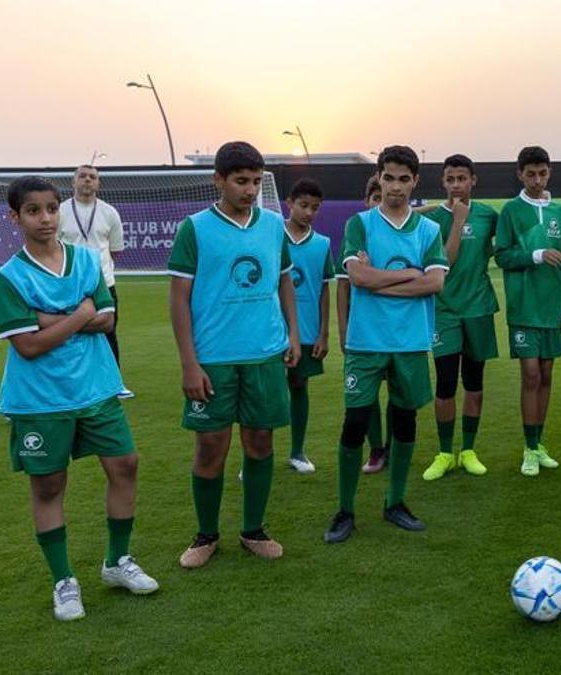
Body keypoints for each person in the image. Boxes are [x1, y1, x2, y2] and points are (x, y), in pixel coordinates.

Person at [0, 176, 158, 621]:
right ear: (15, 217)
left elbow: (107, 318)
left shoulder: (85, 261)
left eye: (51, 209)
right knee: (49, 485)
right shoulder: (8, 278)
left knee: (125, 465)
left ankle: (116, 562)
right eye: (33, 211)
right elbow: (26, 346)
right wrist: (79, 313)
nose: (45, 218)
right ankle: (64, 581)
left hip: (98, 387)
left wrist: (49, 320)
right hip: (39, 399)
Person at [168, 141, 301, 568]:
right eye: (241, 181)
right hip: (213, 359)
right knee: (211, 447)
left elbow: (284, 281)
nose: (250, 190)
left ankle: (253, 530)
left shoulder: (273, 225)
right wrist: (190, 363)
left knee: (261, 441)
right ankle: (206, 536)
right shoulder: (195, 228)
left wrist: (293, 334)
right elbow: (179, 299)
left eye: (256, 181)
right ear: (219, 180)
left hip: (264, 354)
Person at [324, 145, 448, 543]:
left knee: (404, 421)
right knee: (355, 423)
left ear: (415, 182)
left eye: (403, 179)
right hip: (366, 341)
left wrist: (380, 278)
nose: (395, 187)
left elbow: (436, 283)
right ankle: (344, 511)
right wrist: (408, 276)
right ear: (378, 177)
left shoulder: (428, 231)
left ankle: (395, 503)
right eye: (388, 177)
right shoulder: (360, 224)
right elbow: (358, 279)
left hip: (410, 342)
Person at [495, 145, 561, 476]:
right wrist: (536, 254)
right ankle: (528, 449)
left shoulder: (559, 212)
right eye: (531, 173)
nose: (537, 179)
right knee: (530, 374)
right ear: (520, 174)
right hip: (524, 308)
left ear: (549, 172)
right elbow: (501, 256)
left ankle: (539, 444)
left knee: (545, 374)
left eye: (542, 173)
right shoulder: (511, 211)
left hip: (552, 308)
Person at [421, 154, 500, 480]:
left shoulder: (488, 216)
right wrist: (456, 220)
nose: (456, 185)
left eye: (462, 179)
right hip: (444, 310)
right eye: (450, 179)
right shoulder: (434, 220)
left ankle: (468, 450)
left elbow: (505, 249)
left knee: (475, 382)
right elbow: (445, 261)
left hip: (478, 308)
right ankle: (444, 453)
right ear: (443, 182)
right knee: (445, 384)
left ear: (473, 181)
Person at [58, 164, 134, 399]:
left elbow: (115, 250)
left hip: (104, 283)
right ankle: (68, 385)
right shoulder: (60, 211)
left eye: (92, 177)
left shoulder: (109, 212)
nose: (87, 180)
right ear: (73, 182)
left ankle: (114, 384)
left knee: (108, 332)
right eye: (82, 176)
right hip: (69, 284)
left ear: (98, 183)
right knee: (66, 333)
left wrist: (98, 270)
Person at [336, 177, 394, 474]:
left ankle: (393, 448)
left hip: (397, 331)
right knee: (366, 396)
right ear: (367, 201)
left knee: (399, 395)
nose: (377, 202)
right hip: (364, 332)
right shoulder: (356, 236)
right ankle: (375, 450)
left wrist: (373, 274)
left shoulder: (403, 235)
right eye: (373, 197)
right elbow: (346, 287)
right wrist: (343, 330)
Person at [283, 179, 333, 474]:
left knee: (299, 385)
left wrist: (324, 333)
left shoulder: (322, 243)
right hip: (273, 332)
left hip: (308, 330)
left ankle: (297, 452)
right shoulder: (273, 237)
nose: (309, 212)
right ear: (290, 203)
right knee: (266, 392)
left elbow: (326, 289)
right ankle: (256, 455)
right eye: (303, 206)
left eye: (315, 208)